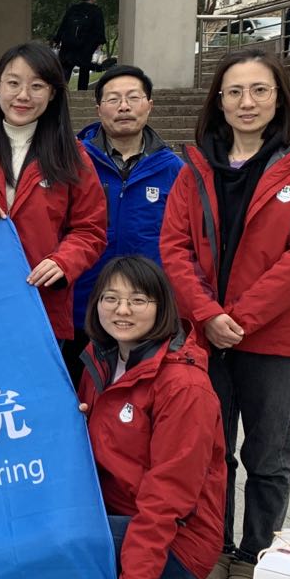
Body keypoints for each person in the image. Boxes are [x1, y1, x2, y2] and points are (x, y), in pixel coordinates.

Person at [160, 49, 290, 579]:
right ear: (219, 101)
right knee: (212, 451)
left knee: (268, 453)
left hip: (274, 338)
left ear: (279, 98)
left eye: (260, 90)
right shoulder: (195, 168)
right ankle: (212, 548)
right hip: (206, 335)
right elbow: (174, 248)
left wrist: (242, 316)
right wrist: (207, 314)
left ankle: (257, 556)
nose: (247, 102)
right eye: (234, 91)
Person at [76, 256, 226, 579]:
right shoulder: (102, 360)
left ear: (162, 307)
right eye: (111, 298)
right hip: (122, 513)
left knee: (63, 534)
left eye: (138, 300)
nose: (122, 310)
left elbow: (168, 496)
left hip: (179, 537)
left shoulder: (184, 386)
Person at [0, 42, 107, 357]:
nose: (23, 95)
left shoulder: (73, 157)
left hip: (41, 303)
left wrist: (63, 262)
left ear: (52, 93)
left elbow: (90, 228)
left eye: (36, 86)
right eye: (13, 83)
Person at [68, 65, 184, 385]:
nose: (124, 106)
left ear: (149, 105)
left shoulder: (174, 170)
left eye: (133, 98)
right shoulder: (72, 163)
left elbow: (183, 243)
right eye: (113, 99)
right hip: (81, 311)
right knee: (79, 401)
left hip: (146, 315)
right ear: (98, 109)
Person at [53, 0, 108, 91]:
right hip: (86, 45)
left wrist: (57, 39)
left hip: (69, 44)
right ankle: (82, 92)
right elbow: (99, 28)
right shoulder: (96, 11)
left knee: (66, 68)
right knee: (84, 69)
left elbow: (63, 24)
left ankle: (60, 91)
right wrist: (100, 42)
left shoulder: (73, 9)